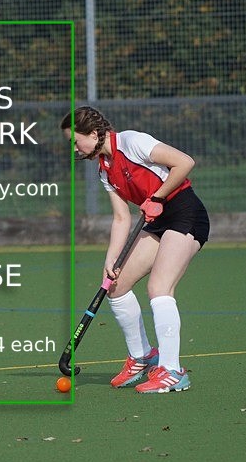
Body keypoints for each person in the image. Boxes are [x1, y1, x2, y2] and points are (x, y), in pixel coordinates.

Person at [61, 106, 209, 393]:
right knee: (116, 286)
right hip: (154, 218)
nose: (74, 149)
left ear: (93, 134)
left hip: (183, 212)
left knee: (159, 287)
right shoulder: (104, 168)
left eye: (75, 141)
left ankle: (172, 371)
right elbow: (121, 217)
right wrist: (111, 259)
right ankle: (142, 356)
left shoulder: (132, 142)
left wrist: (158, 196)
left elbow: (184, 162)